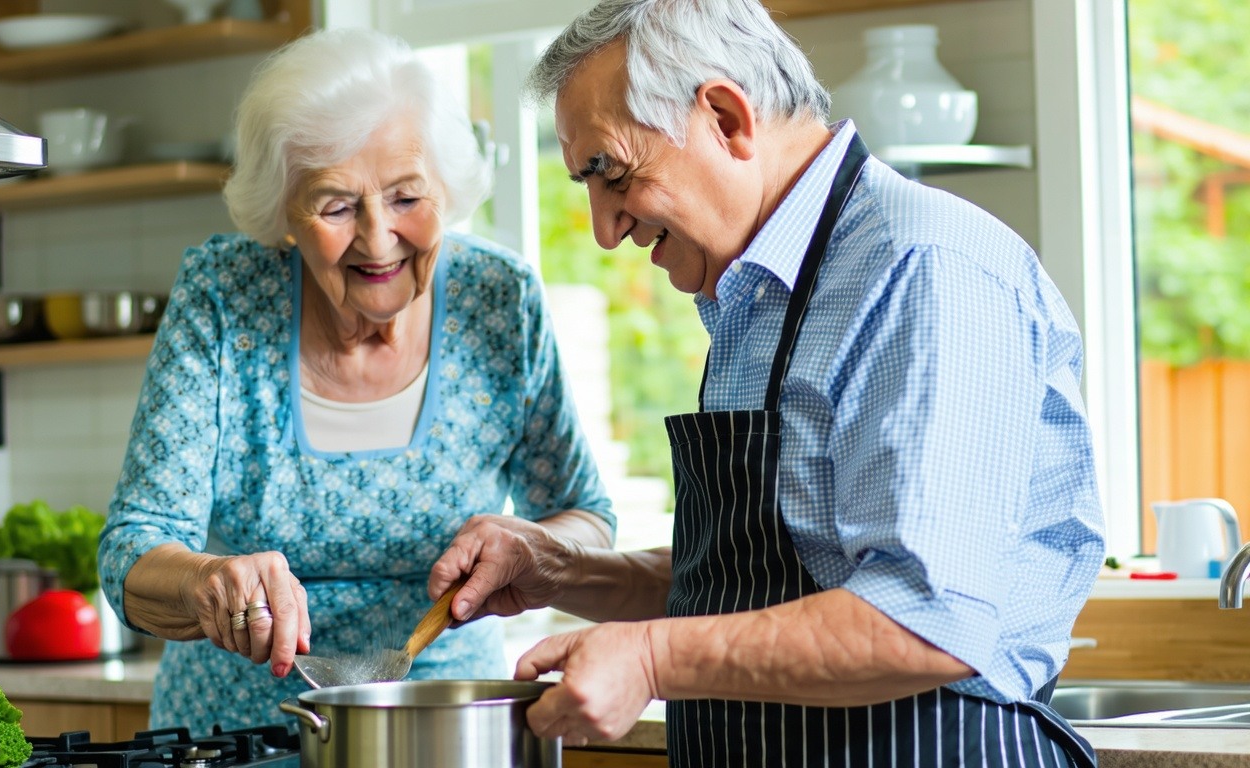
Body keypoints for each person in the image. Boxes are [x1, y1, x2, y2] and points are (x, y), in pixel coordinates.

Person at [428, 1, 1106, 765]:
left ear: (724, 117)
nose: (603, 228)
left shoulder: (920, 268)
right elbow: (755, 584)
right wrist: (566, 570)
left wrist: (650, 658)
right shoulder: (754, 296)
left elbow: (925, 617)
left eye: (609, 172)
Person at [97, 26, 614, 734]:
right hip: (232, 735)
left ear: (447, 188)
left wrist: (526, 543)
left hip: (442, 731)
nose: (377, 239)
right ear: (284, 214)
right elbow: (133, 547)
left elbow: (587, 517)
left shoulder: (498, 301)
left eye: (406, 198)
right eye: (336, 206)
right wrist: (203, 580)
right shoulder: (223, 294)